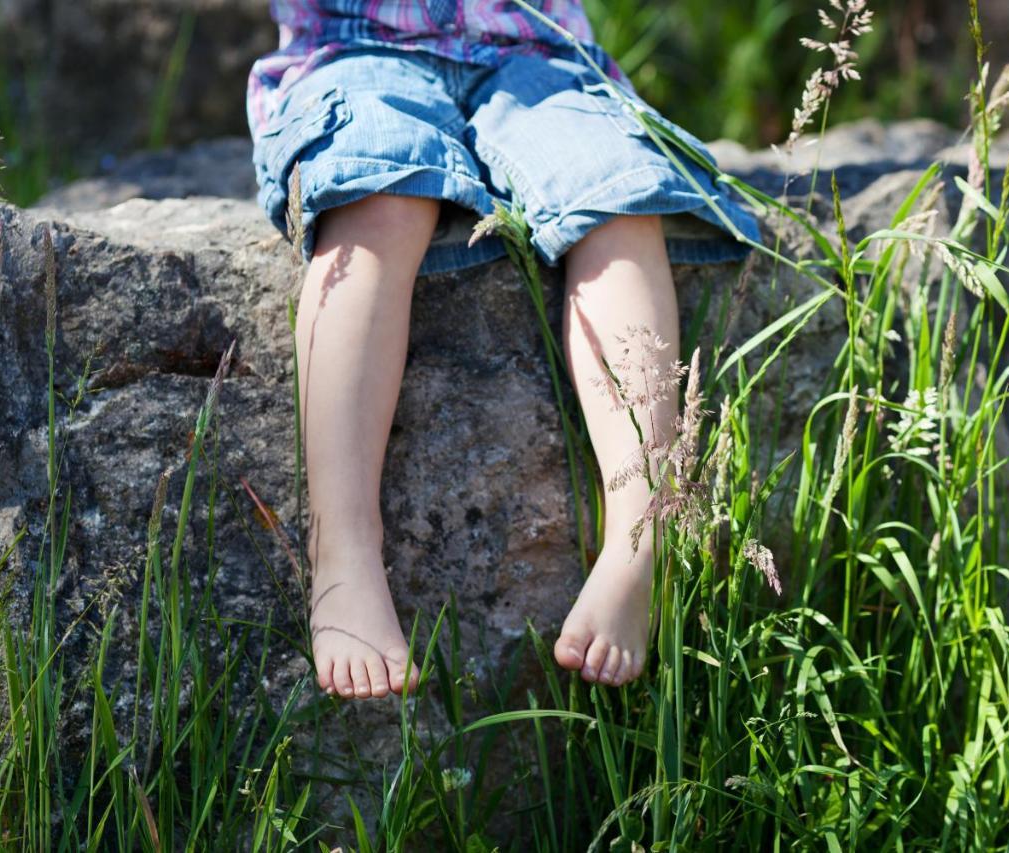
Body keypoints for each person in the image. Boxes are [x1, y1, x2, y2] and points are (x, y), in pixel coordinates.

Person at [246, 0, 762, 699]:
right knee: (376, 201)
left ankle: (641, 540)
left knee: (616, 203)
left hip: (535, 55)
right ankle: (342, 551)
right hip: (353, 49)